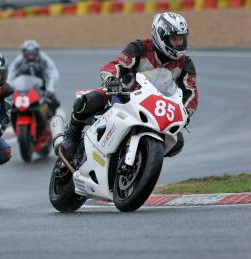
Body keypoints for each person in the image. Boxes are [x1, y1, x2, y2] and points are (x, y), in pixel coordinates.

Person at [61, 12, 199, 160]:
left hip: (157, 109)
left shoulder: (185, 64)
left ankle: (144, 159)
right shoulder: (139, 48)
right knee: (90, 99)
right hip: (126, 95)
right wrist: (112, 80)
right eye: (174, 39)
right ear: (160, 36)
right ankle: (72, 133)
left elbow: (191, 93)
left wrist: (184, 113)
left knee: (177, 140)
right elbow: (116, 65)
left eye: (181, 39)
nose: (179, 43)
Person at [8, 39, 60, 116]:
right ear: (24, 53)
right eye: (28, 54)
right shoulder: (19, 61)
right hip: (23, 89)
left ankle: (52, 122)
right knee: (10, 104)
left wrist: (50, 88)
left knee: (55, 103)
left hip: (41, 89)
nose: (30, 56)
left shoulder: (44, 59)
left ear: (37, 52)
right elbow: (11, 72)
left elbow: (52, 72)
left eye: (32, 54)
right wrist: (9, 87)